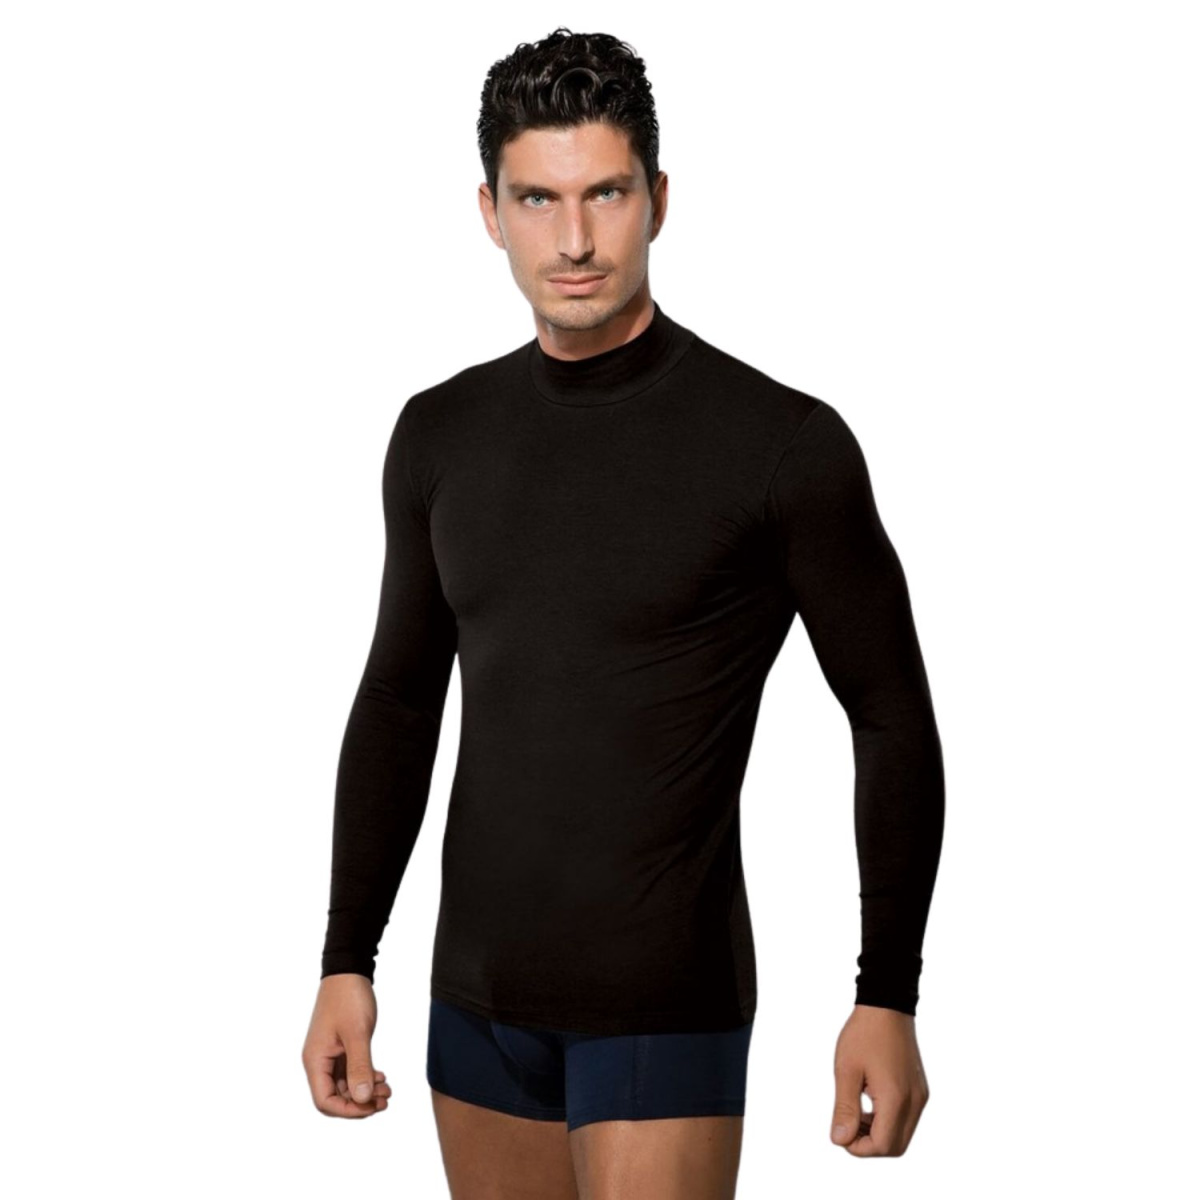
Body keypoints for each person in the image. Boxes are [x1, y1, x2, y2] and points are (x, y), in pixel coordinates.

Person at [302, 26, 945, 1195]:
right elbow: (398, 698)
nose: (575, 239)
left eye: (605, 193)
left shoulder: (780, 446)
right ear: (490, 213)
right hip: (475, 999)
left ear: (659, 199)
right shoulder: (440, 435)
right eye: (537, 199)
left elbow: (891, 714)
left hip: (665, 1005)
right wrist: (348, 956)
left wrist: (886, 993)